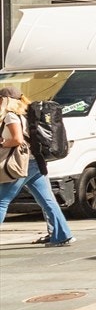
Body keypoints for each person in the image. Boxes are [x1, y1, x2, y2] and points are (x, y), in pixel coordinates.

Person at [0, 86, 74, 246]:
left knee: (2, 200)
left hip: (22, 164)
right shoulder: (29, 114)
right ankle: (63, 235)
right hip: (36, 161)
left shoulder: (11, 116)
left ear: (5, 100)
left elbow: (18, 139)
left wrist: (3, 142)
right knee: (47, 200)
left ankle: (62, 235)